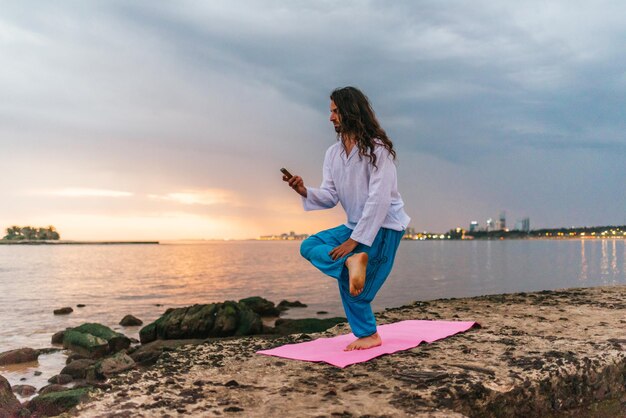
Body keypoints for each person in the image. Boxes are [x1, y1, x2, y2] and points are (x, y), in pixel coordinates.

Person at [283, 86, 411, 351]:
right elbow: (330, 195)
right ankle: (350, 265)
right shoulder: (333, 154)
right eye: (331, 112)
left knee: (358, 292)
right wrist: (304, 190)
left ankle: (369, 335)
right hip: (354, 225)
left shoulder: (378, 150)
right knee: (308, 246)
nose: (331, 117)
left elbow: (379, 201)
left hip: (385, 227)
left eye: (335, 111)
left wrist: (354, 242)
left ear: (351, 111)